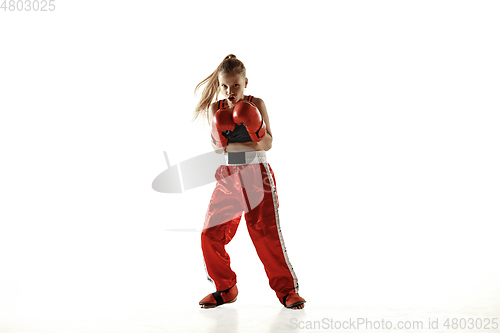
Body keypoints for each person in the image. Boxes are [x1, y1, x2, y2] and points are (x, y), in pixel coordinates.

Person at [192, 54, 306, 310]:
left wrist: (256, 127)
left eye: (235, 85)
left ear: (245, 82)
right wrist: (218, 135)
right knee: (210, 234)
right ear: (219, 85)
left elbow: (268, 143)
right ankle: (225, 288)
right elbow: (218, 151)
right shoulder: (216, 109)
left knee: (265, 235)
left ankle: (287, 292)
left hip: (257, 174)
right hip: (228, 175)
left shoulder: (257, 104)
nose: (230, 91)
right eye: (225, 86)